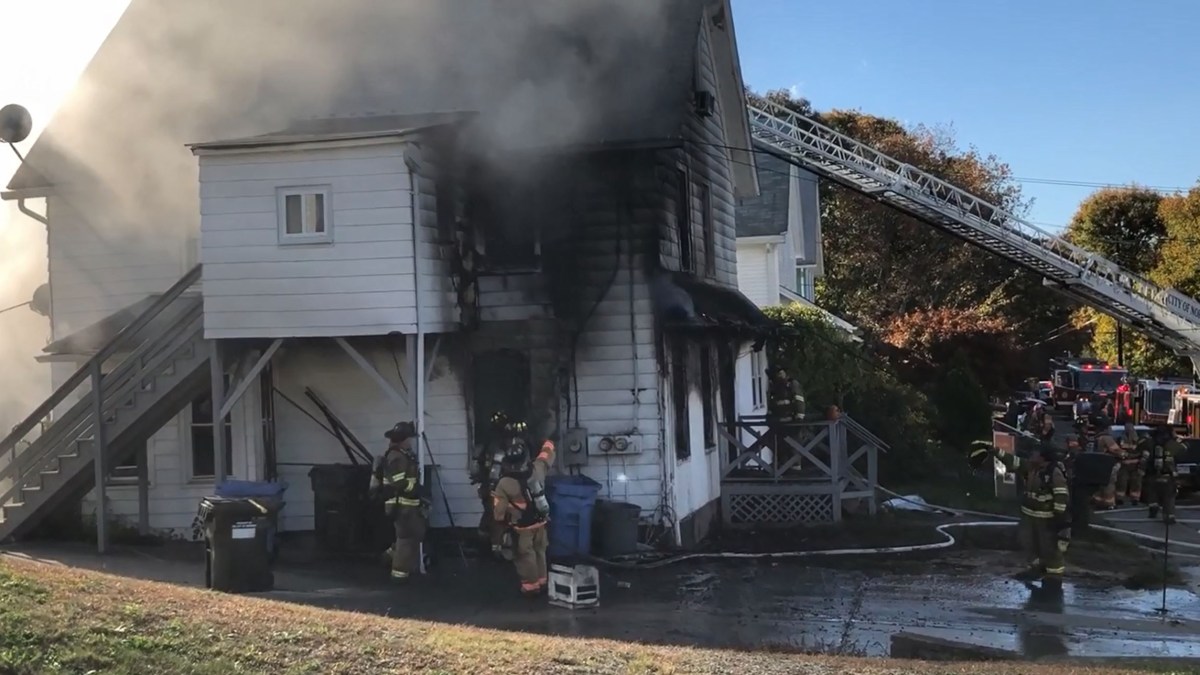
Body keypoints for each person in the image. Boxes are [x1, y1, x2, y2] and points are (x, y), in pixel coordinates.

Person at [992, 441, 1071, 590]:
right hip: (1030, 516)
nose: (1031, 455)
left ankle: (1054, 579)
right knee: (1028, 543)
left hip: (1047, 518)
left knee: (1051, 550)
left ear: (1043, 457)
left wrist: (1059, 518)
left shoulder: (1054, 472)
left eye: (1035, 453)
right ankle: (1036, 569)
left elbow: (1061, 495)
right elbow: (1013, 461)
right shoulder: (1031, 467)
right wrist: (995, 450)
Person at [492, 436, 557, 596]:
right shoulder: (537, 469)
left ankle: (530, 587)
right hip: (541, 522)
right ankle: (543, 582)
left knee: (525, 556)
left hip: (522, 528)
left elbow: (499, 513)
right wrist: (549, 442)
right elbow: (546, 456)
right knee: (540, 551)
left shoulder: (504, 483)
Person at [369, 421, 427, 582]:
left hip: (408, 504)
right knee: (406, 539)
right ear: (403, 439)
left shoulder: (403, 454)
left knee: (414, 535)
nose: (410, 441)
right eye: (409, 438)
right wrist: (414, 487)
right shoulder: (397, 456)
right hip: (401, 504)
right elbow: (397, 482)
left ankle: (389, 556)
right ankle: (398, 576)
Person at [472, 412, 514, 540]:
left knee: (492, 512)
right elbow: (495, 464)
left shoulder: (489, 440)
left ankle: (489, 540)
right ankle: (491, 542)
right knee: (494, 512)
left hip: (490, 483)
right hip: (493, 484)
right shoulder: (497, 443)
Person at [1143, 425, 1182, 524]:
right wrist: (1176, 438)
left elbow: (1144, 457)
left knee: (1153, 494)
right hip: (1167, 474)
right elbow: (1184, 448)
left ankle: (1153, 510)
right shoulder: (1171, 444)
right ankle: (1169, 517)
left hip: (1152, 474)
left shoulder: (1150, 442)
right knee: (1169, 497)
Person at [1092, 416, 1121, 510]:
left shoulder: (1097, 438)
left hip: (1098, 463)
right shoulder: (1107, 438)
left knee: (1100, 485)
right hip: (1108, 464)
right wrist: (1125, 454)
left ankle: (1098, 502)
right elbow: (1116, 451)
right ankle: (1109, 504)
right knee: (1109, 484)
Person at [1114, 424, 1144, 507]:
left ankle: (1135, 499)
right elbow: (1117, 451)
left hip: (1135, 465)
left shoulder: (1139, 441)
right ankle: (1119, 498)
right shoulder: (1120, 439)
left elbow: (1142, 452)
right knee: (1122, 482)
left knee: (1136, 483)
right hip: (1124, 464)